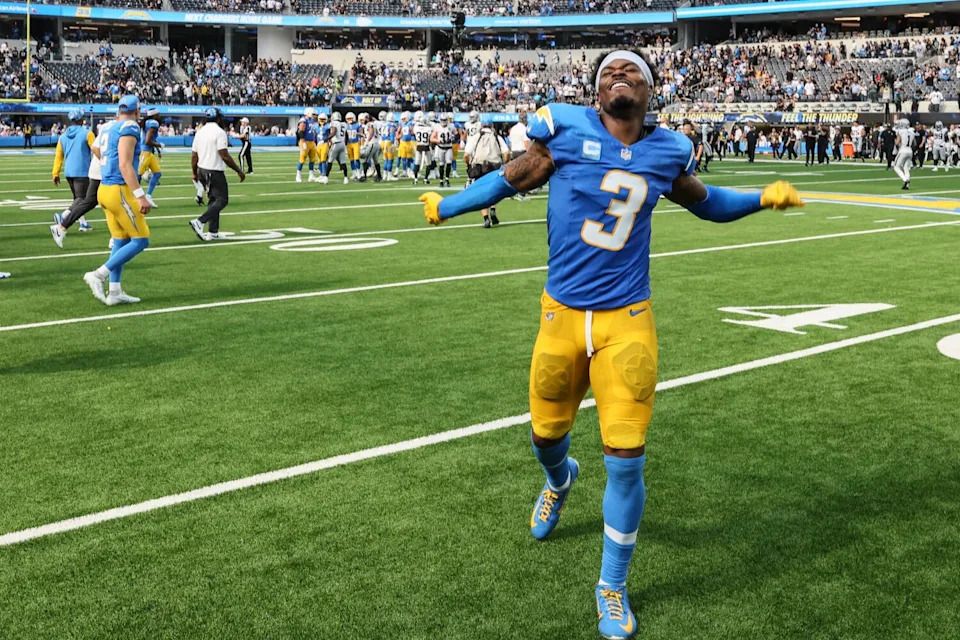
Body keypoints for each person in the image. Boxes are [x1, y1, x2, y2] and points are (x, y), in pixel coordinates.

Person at [418, 50, 802, 640]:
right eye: (606, 74)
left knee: (627, 458)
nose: (617, 77)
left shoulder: (669, 149)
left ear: (651, 91)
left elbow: (706, 203)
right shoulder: (564, 128)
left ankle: (612, 586)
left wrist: (761, 198)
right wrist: (449, 205)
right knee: (545, 437)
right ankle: (559, 480)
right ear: (594, 92)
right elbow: (514, 174)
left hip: (628, 321)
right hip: (562, 317)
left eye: (631, 73)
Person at [82, 94, 150, 306]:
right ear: (137, 111)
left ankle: (115, 291)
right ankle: (98, 274)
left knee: (120, 240)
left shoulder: (109, 126)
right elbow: (124, 164)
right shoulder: (129, 127)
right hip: (119, 189)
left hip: (104, 188)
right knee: (141, 239)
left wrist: (105, 162)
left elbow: (95, 148)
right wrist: (140, 195)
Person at [189, 107, 245, 242]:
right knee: (222, 200)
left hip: (202, 169)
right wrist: (238, 170)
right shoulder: (219, 132)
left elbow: (194, 156)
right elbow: (224, 155)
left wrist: (195, 173)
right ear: (219, 118)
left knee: (213, 200)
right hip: (214, 170)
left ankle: (213, 231)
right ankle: (200, 221)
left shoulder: (200, 132)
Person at [49, 108, 96, 248]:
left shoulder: (63, 136)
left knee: (78, 199)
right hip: (82, 171)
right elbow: (96, 150)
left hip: (69, 172)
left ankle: (81, 222)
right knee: (84, 200)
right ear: (82, 120)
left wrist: (55, 173)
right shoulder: (87, 133)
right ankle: (63, 218)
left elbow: (58, 156)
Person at [461, 115, 508, 228]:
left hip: (479, 166)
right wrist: (505, 163)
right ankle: (493, 209)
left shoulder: (475, 136)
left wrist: (468, 165)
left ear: (481, 125)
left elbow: (466, 155)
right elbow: (506, 153)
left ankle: (486, 218)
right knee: (493, 190)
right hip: (494, 165)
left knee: (481, 191)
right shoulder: (497, 136)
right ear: (492, 125)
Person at [138, 106, 163, 208]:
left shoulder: (149, 123)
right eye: (158, 114)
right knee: (137, 176)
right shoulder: (153, 123)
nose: (160, 116)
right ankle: (131, 197)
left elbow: (151, 139)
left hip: (149, 152)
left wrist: (157, 150)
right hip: (145, 152)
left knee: (157, 174)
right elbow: (148, 140)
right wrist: (159, 145)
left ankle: (148, 196)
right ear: (154, 115)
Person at [508, 111, 532, 194]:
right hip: (522, 151)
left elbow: (510, 143)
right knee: (526, 172)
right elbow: (526, 143)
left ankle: (517, 188)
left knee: (517, 172)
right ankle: (523, 190)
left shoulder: (513, 128)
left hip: (514, 151)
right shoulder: (524, 129)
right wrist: (531, 153)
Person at [430, 112, 456, 188]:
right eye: (442, 120)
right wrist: (439, 141)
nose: (443, 121)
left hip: (448, 147)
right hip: (441, 147)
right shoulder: (437, 127)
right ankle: (441, 180)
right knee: (441, 164)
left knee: (449, 163)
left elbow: (456, 134)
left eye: (445, 120)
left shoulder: (451, 126)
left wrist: (452, 138)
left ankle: (447, 179)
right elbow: (431, 138)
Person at [324, 112, 351, 184]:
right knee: (343, 162)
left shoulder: (334, 123)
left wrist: (327, 138)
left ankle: (326, 177)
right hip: (342, 144)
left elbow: (333, 132)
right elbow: (346, 135)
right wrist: (345, 143)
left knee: (330, 161)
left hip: (336, 144)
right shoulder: (344, 124)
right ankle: (345, 178)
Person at [296, 107, 320, 183]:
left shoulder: (312, 121)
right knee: (302, 159)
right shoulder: (303, 120)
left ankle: (311, 175)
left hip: (311, 142)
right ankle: (298, 175)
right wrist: (302, 142)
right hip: (305, 141)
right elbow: (300, 131)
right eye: (313, 114)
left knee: (312, 159)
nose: (314, 115)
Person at [412, 110, 435, 186]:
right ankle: (425, 179)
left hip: (419, 146)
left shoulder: (416, 127)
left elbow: (413, 133)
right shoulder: (428, 129)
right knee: (428, 163)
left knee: (417, 163)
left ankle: (415, 179)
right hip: (426, 146)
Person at [358, 113, 382, 183]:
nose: (364, 120)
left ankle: (364, 176)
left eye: (365, 118)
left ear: (368, 119)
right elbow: (369, 133)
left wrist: (366, 142)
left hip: (372, 144)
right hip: (376, 143)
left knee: (365, 159)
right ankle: (379, 176)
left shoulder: (370, 124)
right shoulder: (373, 124)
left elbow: (371, 133)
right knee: (375, 161)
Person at [892, 118, 915, 190]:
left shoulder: (900, 131)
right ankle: (907, 185)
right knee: (906, 168)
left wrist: (896, 145)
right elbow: (914, 143)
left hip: (903, 150)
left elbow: (897, 142)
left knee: (896, 167)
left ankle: (905, 180)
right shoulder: (912, 132)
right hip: (910, 151)